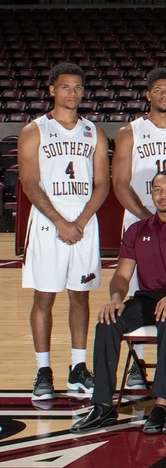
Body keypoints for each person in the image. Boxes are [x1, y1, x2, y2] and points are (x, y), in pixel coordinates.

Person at [70, 171, 166, 433]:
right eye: (157, 190)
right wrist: (115, 298)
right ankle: (102, 405)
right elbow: (122, 275)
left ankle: (162, 403)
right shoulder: (137, 230)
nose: (163, 195)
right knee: (108, 322)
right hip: (147, 298)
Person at [19, 62, 110, 401]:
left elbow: (102, 183)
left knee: (80, 295)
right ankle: (43, 371)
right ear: (52, 90)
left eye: (78, 87)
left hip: (84, 220)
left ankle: (78, 367)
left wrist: (82, 221)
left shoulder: (94, 132)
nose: (72, 93)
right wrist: (60, 221)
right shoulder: (35, 130)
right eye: (66, 87)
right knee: (44, 296)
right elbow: (29, 183)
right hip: (47, 221)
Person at [110, 67, 166, 390]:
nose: (164, 96)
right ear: (148, 95)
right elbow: (120, 181)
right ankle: (136, 364)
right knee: (135, 295)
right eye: (158, 91)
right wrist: (146, 216)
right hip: (139, 222)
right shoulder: (129, 132)